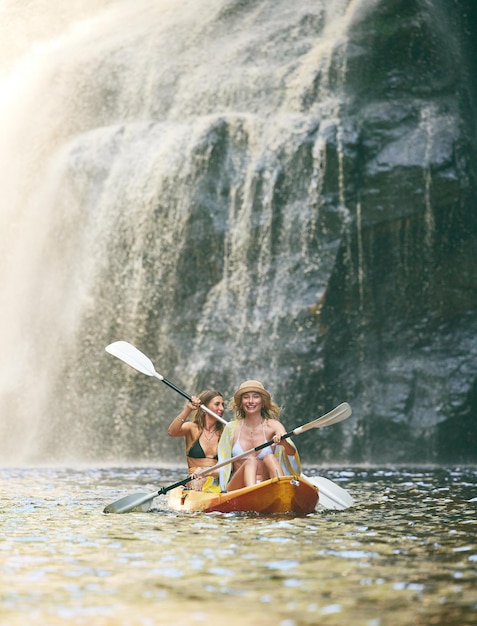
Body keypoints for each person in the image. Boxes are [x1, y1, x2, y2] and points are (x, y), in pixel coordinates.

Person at [217, 380, 301, 492]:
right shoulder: (231, 428)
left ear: (263, 402)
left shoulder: (274, 425)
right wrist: (202, 472)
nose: (250, 401)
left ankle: (283, 490)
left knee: (270, 457)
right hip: (238, 489)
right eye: (246, 397)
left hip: (266, 484)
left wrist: (284, 442)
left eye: (255, 397)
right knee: (251, 461)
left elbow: (291, 452)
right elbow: (222, 465)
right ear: (241, 403)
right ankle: (253, 492)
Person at [167, 389, 225, 490]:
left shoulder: (225, 432)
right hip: (195, 478)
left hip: (217, 478)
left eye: (222, 404)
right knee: (198, 481)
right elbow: (172, 432)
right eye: (217, 404)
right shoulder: (192, 428)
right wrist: (188, 409)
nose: (221, 408)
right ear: (204, 408)